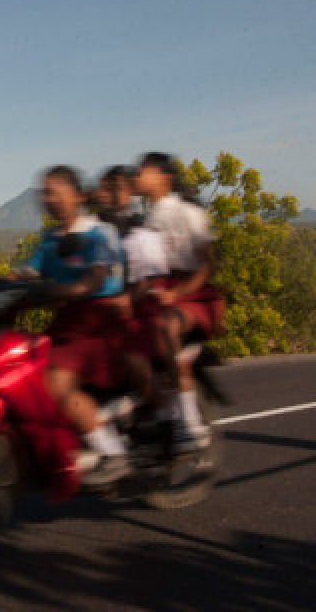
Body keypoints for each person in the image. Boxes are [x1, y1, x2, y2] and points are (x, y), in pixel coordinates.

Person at [18, 166, 129, 485]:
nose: (48, 198)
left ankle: (112, 453)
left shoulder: (99, 233)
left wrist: (59, 290)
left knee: (55, 383)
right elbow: (29, 271)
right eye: (44, 192)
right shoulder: (50, 239)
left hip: (98, 320)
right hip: (66, 320)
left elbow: (94, 279)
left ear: (78, 196)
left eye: (54, 191)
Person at [135, 152, 225, 450]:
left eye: (144, 172)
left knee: (166, 326)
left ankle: (189, 421)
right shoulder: (149, 217)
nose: (138, 177)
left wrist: (177, 293)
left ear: (165, 178)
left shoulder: (188, 214)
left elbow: (207, 265)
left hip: (193, 295)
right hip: (161, 293)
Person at [95, 165, 170, 406]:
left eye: (114, 188)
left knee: (128, 349)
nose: (107, 194)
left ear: (129, 192)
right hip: (103, 304)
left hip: (137, 301)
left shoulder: (139, 226)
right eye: (105, 188)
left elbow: (148, 275)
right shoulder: (95, 226)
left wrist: (129, 298)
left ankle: (159, 404)